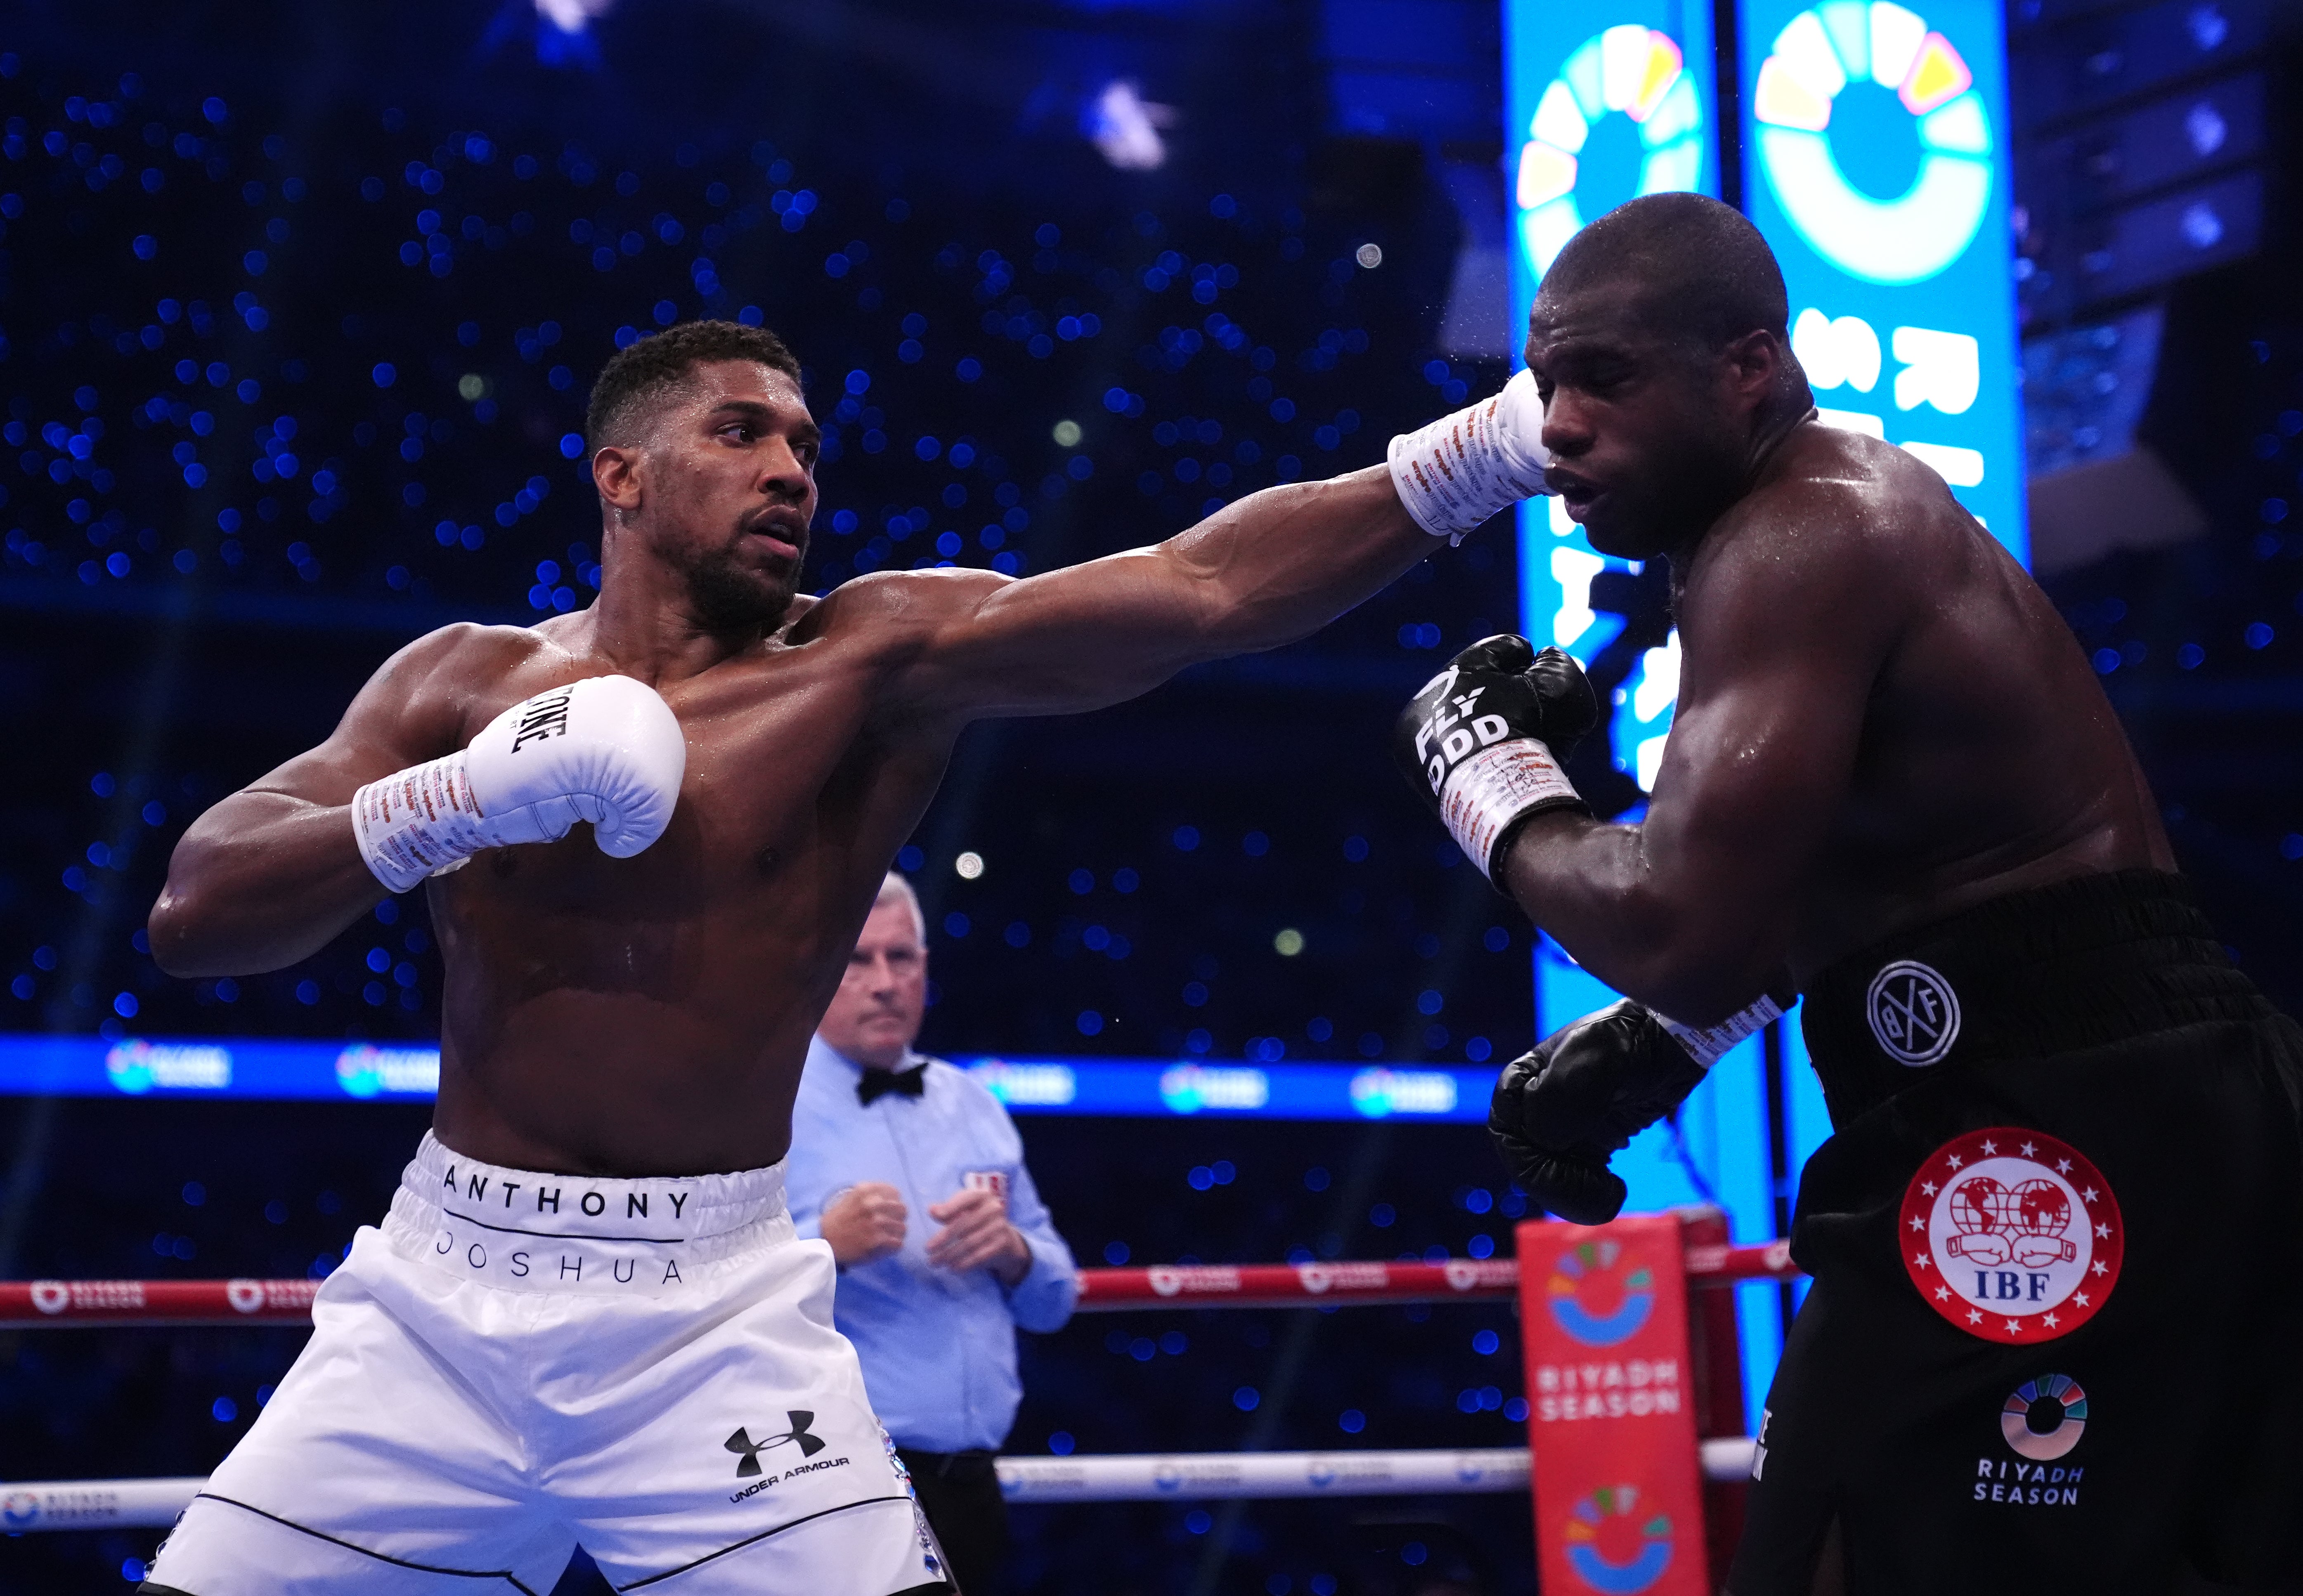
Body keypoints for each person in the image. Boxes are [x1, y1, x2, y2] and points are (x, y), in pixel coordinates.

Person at [140, 316, 1551, 1595]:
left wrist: (1484, 447)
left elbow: (1199, 590)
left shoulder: (868, 663)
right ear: (620, 476)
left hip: (711, 1322)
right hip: (436, 1301)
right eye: (740, 431)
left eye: (806, 444)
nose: (792, 469)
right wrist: (452, 799)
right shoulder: (459, 683)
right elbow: (196, 911)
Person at [1388, 193, 2303, 1595]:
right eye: (1547, 379)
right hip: (2126, 1092)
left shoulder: (1802, 533)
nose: (1557, 423)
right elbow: (1916, 896)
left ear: (1747, 366)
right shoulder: (1797, 536)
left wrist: (1488, 778)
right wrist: (1656, 1045)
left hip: (2055, 1117)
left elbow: (1683, 927)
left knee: (1843, 1554)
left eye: (1608, 377)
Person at [786, 872, 1076, 1594]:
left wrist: (1015, 1254)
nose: (885, 983)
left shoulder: (974, 1105)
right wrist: (825, 1250)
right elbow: (699, 1295)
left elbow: (1056, 1299)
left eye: (902, 957)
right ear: (819, 966)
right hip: (838, 1483)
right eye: (858, 960)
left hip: (972, 1482)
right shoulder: (763, 1107)